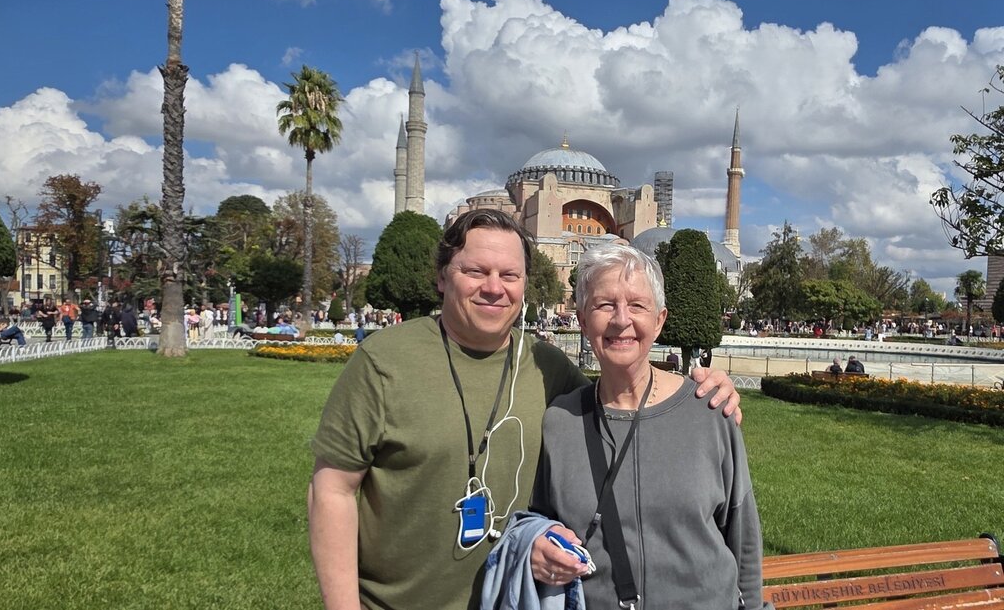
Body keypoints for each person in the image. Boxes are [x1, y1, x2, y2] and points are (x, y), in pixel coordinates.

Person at [309, 209, 741, 610]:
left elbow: (621, 399)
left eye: (509, 274)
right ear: (442, 277)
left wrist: (698, 388)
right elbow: (333, 490)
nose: (494, 287)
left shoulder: (546, 367)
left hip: (509, 598)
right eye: (476, 271)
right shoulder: (385, 361)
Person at [480, 242, 766, 609]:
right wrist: (536, 545)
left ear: (660, 320)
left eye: (636, 305)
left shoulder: (709, 410)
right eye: (604, 305)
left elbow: (743, 538)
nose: (621, 320)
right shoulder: (560, 422)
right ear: (582, 321)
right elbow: (540, 518)